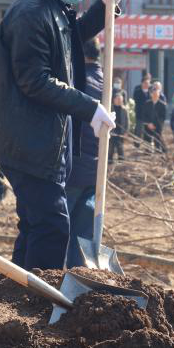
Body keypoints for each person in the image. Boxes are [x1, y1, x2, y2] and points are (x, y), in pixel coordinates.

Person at [0, 0, 120, 270]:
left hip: (41, 140)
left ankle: (16, 300)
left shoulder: (55, 6)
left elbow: (73, 39)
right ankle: (39, 306)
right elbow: (36, 81)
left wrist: (104, 4)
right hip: (25, 141)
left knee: (35, 224)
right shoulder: (31, 12)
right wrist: (89, 108)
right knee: (53, 226)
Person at [65, 38, 104, 268]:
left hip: (74, 168)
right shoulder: (106, 81)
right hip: (95, 170)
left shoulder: (77, 81)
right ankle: (78, 284)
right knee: (83, 236)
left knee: (61, 231)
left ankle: (58, 285)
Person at [138, 81, 167, 151]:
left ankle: (160, 152)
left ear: (159, 94)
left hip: (157, 126)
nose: (154, 94)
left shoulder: (162, 105)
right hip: (148, 126)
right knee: (147, 140)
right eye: (152, 93)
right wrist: (148, 123)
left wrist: (155, 124)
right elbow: (144, 115)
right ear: (150, 94)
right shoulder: (147, 103)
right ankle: (147, 153)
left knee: (158, 141)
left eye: (156, 93)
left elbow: (162, 117)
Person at [109, 89, 129, 161]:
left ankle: (121, 160)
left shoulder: (124, 109)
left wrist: (126, 131)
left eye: (121, 100)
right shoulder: (110, 108)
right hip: (112, 130)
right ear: (114, 100)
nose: (119, 101)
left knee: (120, 146)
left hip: (121, 131)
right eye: (118, 99)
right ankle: (109, 160)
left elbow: (127, 121)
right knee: (111, 146)